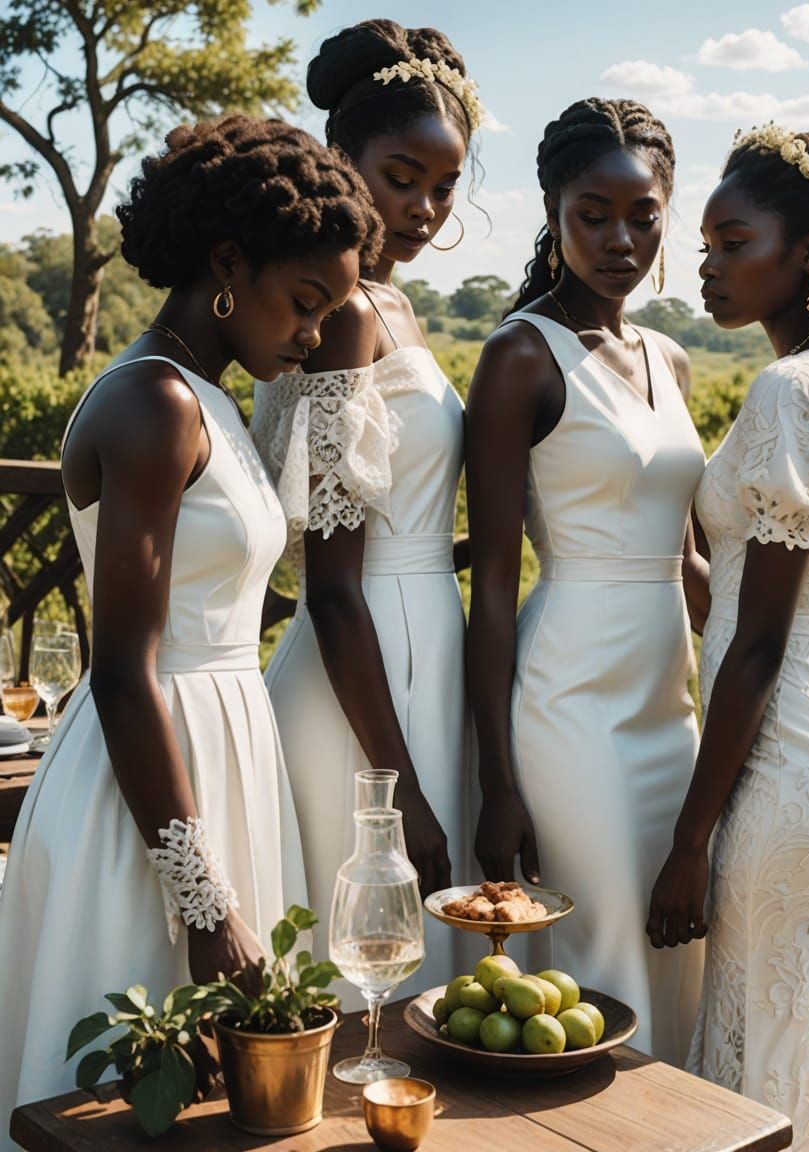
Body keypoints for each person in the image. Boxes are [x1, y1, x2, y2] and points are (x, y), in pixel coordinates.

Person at [0, 114, 382, 1140]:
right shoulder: (154, 407)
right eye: (303, 304)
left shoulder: (209, 397)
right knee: (123, 1104)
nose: (311, 336)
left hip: (224, 755)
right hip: (146, 790)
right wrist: (203, 904)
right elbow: (124, 668)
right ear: (226, 264)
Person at [647, 124, 809, 1152]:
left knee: (751, 1045)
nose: (706, 266)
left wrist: (686, 844)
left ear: (808, 252)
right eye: (702, 246)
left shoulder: (788, 392)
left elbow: (754, 646)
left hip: (786, 757)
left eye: (730, 242)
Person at [465, 97, 708, 1065]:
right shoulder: (519, 355)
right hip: (571, 707)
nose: (619, 238)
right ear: (551, 209)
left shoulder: (672, 358)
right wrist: (495, 783)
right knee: (598, 966)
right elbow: (487, 588)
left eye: (641, 214)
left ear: (665, 210)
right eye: (591, 213)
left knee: (677, 951)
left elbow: (688, 561)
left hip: (670, 705)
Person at [251, 19, 480, 1006]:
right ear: (340, 162)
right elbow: (330, 584)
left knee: (412, 983)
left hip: (425, 648)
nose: (424, 208)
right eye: (401, 177)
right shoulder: (341, 314)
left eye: (443, 187)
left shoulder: (392, 301)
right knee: (359, 977)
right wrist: (406, 796)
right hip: (362, 681)